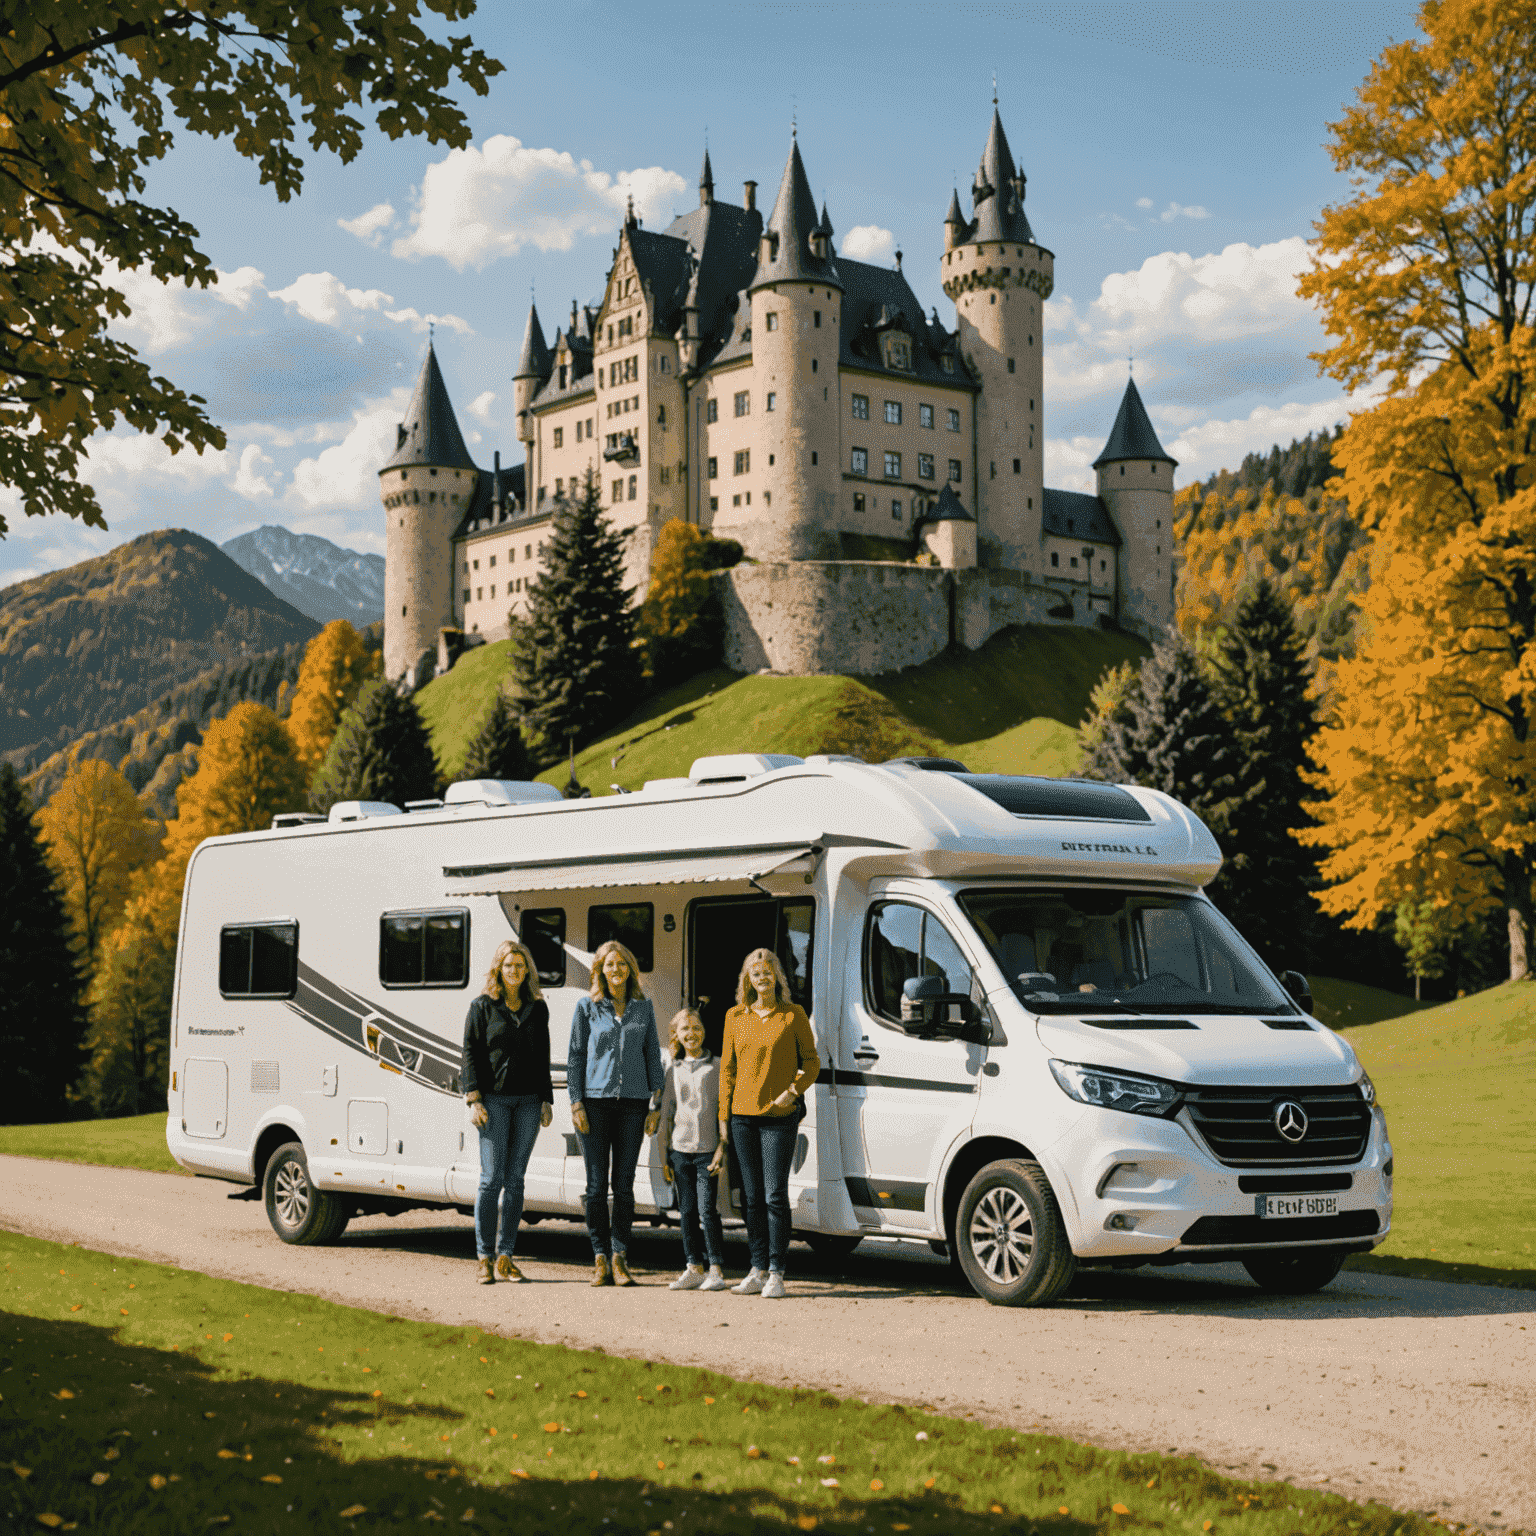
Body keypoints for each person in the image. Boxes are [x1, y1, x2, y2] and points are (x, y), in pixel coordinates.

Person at [718, 947, 820, 1299]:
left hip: (779, 1117)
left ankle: (777, 1271)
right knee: (751, 1197)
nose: (762, 978)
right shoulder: (735, 1016)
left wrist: (793, 1091)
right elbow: (727, 1071)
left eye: (767, 972)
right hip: (742, 1116)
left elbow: (812, 1062)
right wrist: (723, 1117)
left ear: (778, 977)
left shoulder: (793, 1015)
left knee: (775, 1194)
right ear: (748, 979)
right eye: (755, 973)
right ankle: (757, 1269)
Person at [568, 940, 664, 1286]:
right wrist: (576, 1102)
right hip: (594, 1103)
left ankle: (620, 1257)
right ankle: (599, 1258)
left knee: (623, 1186)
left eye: (622, 964)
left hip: (634, 1105)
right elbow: (576, 1055)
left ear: (630, 969)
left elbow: (653, 1055)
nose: (616, 970)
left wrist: (656, 1104)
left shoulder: (643, 1007)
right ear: (600, 970)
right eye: (610, 965)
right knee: (596, 1186)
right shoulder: (586, 1007)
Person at [461, 938, 553, 1285]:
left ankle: (506, 1257)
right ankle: (484, 1258)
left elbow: (542, 1054)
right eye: (508, 965)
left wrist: (546, 1099)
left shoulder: (537, 1007)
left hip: (529, 1102)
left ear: (527, 969)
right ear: (499, 969)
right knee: (490, 1180)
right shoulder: (482, 1006)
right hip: (494, 1101)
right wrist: (474, 1098)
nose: (514, 970)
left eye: (520, 965)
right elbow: (469, 1050)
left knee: (515, 1182)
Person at [658, 1008, 727, 1292]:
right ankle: (693, 1267)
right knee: (686, 1211)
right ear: (677, 1035)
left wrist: (722, 1147)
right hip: (679, 1149)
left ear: (704, 1032)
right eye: (685, 1029)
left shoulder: (717, 1066)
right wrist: (664, 1156)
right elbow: (666, 1112)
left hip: (707, 1150)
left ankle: (716, 1270)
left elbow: (724, 1110)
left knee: (707, 1210)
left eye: (696, 1028)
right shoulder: (673, 1069)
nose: (692, 1034)